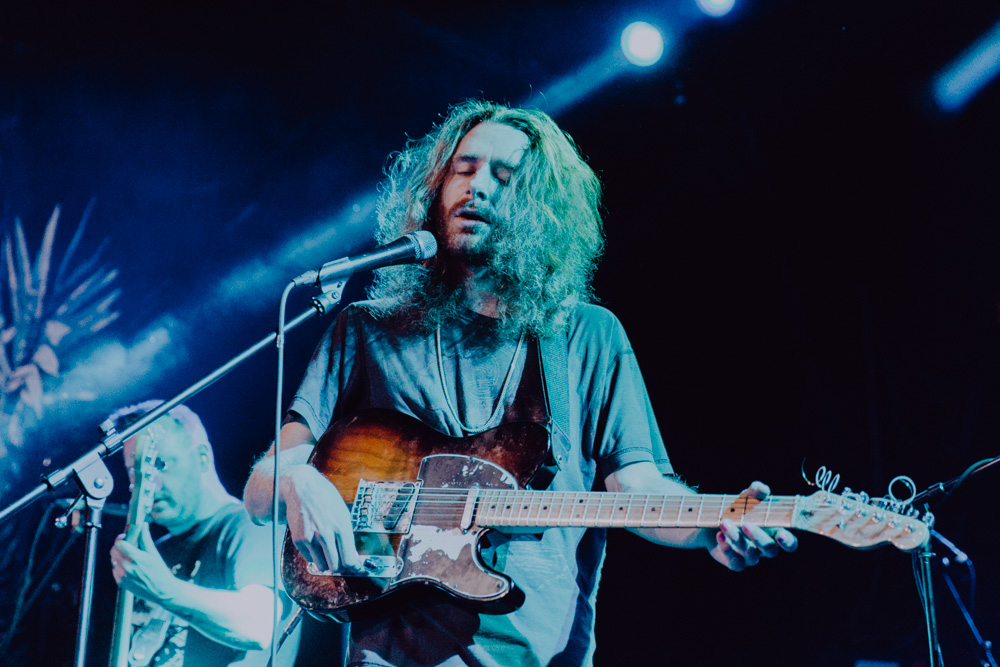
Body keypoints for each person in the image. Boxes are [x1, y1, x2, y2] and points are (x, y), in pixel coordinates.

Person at [243, 100, 797, 667]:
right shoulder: (369, 326)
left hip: (533, 652)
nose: (477, 187)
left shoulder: (586, 335)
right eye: (463, 168)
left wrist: (713, 525)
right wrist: (298, 481)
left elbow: (635, 488)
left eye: (504, 177)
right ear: (434, 187)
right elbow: (261, 490)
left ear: (542, 211)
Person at [108, 400, 300, 667]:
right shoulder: (158, 551)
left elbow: (260, 625)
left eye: (160, 463)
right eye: (136, 469)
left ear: (202, 458)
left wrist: (165, 589)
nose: (149, 481)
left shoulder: (249, 526)